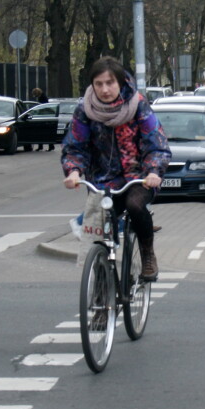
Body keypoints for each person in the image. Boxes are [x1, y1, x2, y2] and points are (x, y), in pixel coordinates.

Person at [62, 56, 171, 281]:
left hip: (138, 178)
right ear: (92, 84)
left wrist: (153, 171)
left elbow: (156, 143)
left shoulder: (138, 105)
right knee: (99, 235)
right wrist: (73, 171)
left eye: (110, 83)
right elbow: (75, 146)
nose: (104, 89)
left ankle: (147, 254)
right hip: (102, 180)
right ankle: (101, 300)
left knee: (134, 205)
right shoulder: (85, 109)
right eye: (99, 84)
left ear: (120, 82)